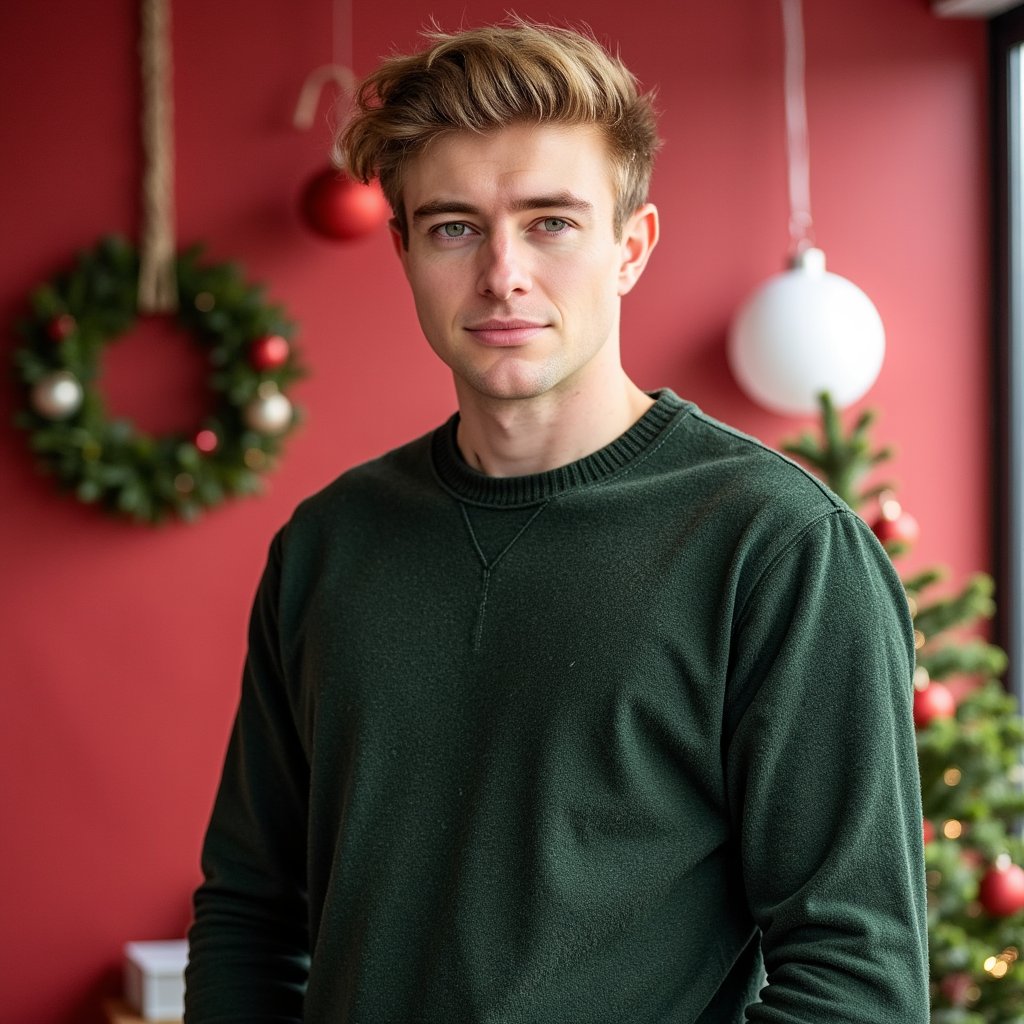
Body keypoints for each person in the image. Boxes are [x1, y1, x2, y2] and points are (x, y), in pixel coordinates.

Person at [184, 20, 929, 1023]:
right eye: (453, 225)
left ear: (630, 245)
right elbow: (250, 912)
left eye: (550, 222)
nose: (502, 273)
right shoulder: (330, 543)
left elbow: (856, 978)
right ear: (402, 246)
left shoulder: (776, 546)